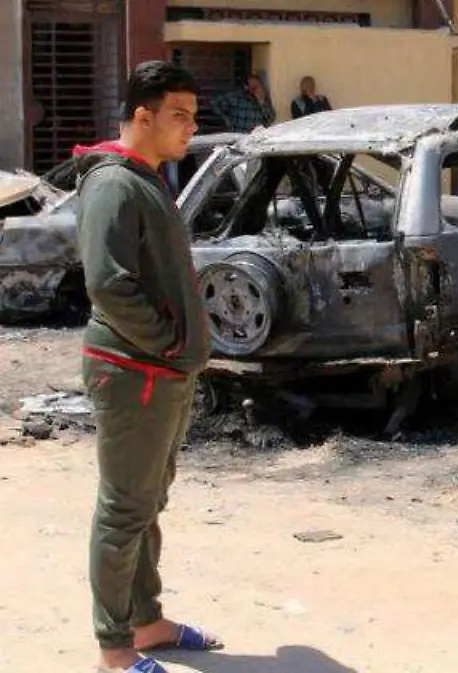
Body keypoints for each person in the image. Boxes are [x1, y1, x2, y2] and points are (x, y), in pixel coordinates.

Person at [74, 59, 220, 673]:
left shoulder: (146, 178)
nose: (190, 127)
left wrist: (179, 353)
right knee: (123, 509)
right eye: (178, 116)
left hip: (161, 372)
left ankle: (147, 621)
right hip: (134, 371)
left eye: (193, 116)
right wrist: (168, 345)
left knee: (147, 502)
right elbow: (109, 284)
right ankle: (114, 649)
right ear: (143, 116)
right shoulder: (113, 183)